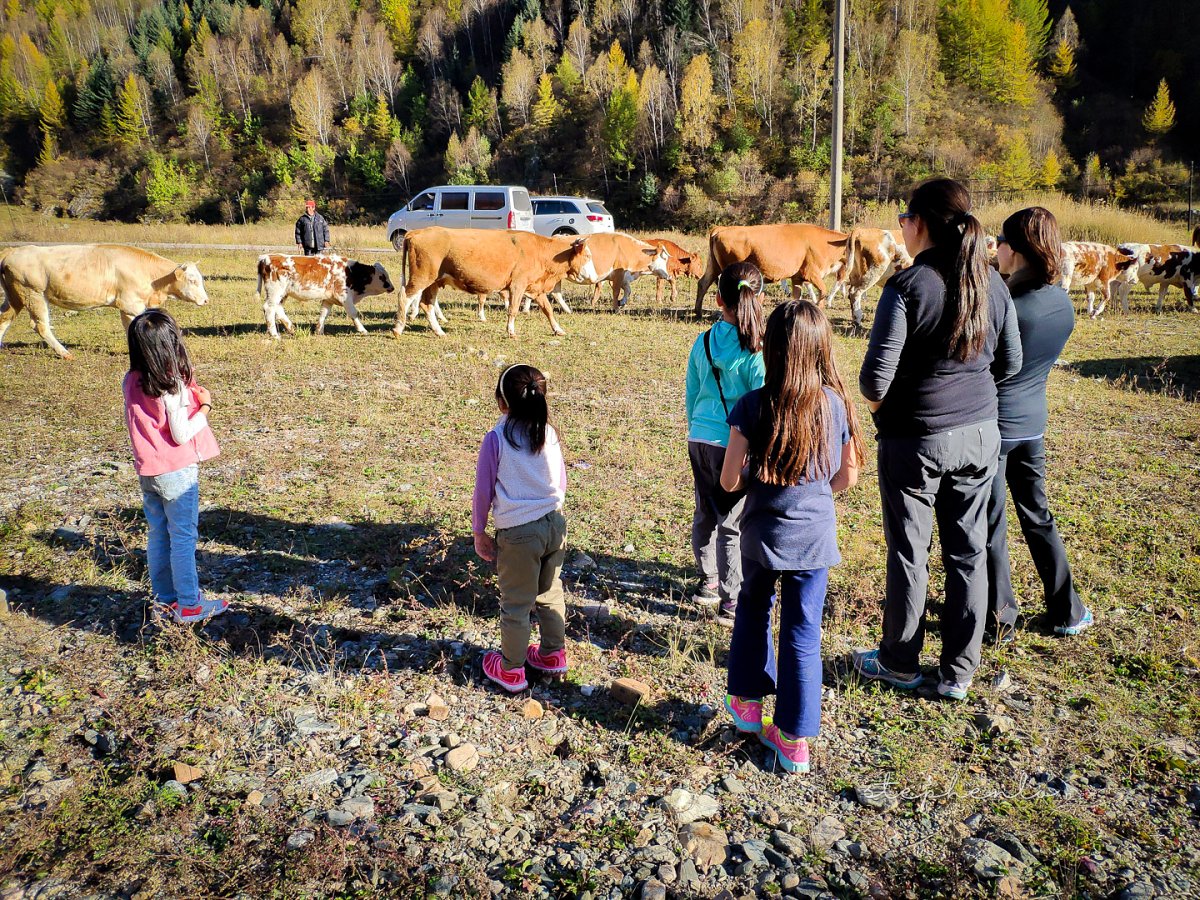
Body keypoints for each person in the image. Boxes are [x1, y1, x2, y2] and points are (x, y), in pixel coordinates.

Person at [855, 178, 1022, 702]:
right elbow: (1011, 363)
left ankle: (900, 661)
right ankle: (959, 672)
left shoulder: (908, 287)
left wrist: (896, 414)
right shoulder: (992, 283)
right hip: (980, 436)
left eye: (903, 219)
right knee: (968, 553)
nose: (900, 227)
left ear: (920, 223)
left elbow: (873, 382)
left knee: (910, 551)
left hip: (916, 442)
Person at [719, 300, 865, 774]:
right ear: (822, 347)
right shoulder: (836, 404)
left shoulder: (753, 405)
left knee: (753, 612)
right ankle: (794, 738)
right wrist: (815, 494)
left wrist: (756, 476)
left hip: (762, 536)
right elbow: (848, 476)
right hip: (815, 540)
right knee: (804, 634)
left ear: (774, 348)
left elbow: (728, 481)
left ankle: (746, 706)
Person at [988, 207, 1092, 637]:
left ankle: (1000, 620)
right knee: (1037, 514)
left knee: (990, 525)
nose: (996, 248)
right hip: (1034, 420)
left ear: (1018, 249)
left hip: (995, 426)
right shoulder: (1061, 302)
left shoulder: (1011, 306)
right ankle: (1067, 608)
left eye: (1001, 241)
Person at [123, 309, 226, 624]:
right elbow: (181, 433)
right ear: (171, 346)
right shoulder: (173, 385)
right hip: (177, 473)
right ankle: (190, 604)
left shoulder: (131, 379)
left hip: (148, 470)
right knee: (182, 537)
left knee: (158, 534)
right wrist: (205, 406)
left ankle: (164, 601)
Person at [472, 364, 569, 692]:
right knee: (550, 591)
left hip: (518, 532)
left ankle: (511, 669)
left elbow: (483, 490)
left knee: (515, 603)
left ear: (502, 402)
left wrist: (479, 531)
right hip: (555, 524)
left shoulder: (496, 439)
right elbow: (561, 481)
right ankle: (553, 653)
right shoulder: (550, 433)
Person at [684, 261, 766, 623]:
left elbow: (691, 394)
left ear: (717, 299)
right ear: (759, 299)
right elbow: (763, 405)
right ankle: (731, 600)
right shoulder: (755, 351)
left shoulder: (701, 342)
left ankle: (708, 580)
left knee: (705, 511)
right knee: (732, 522)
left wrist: (697, 431)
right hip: (733, 445)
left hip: (699, 439)